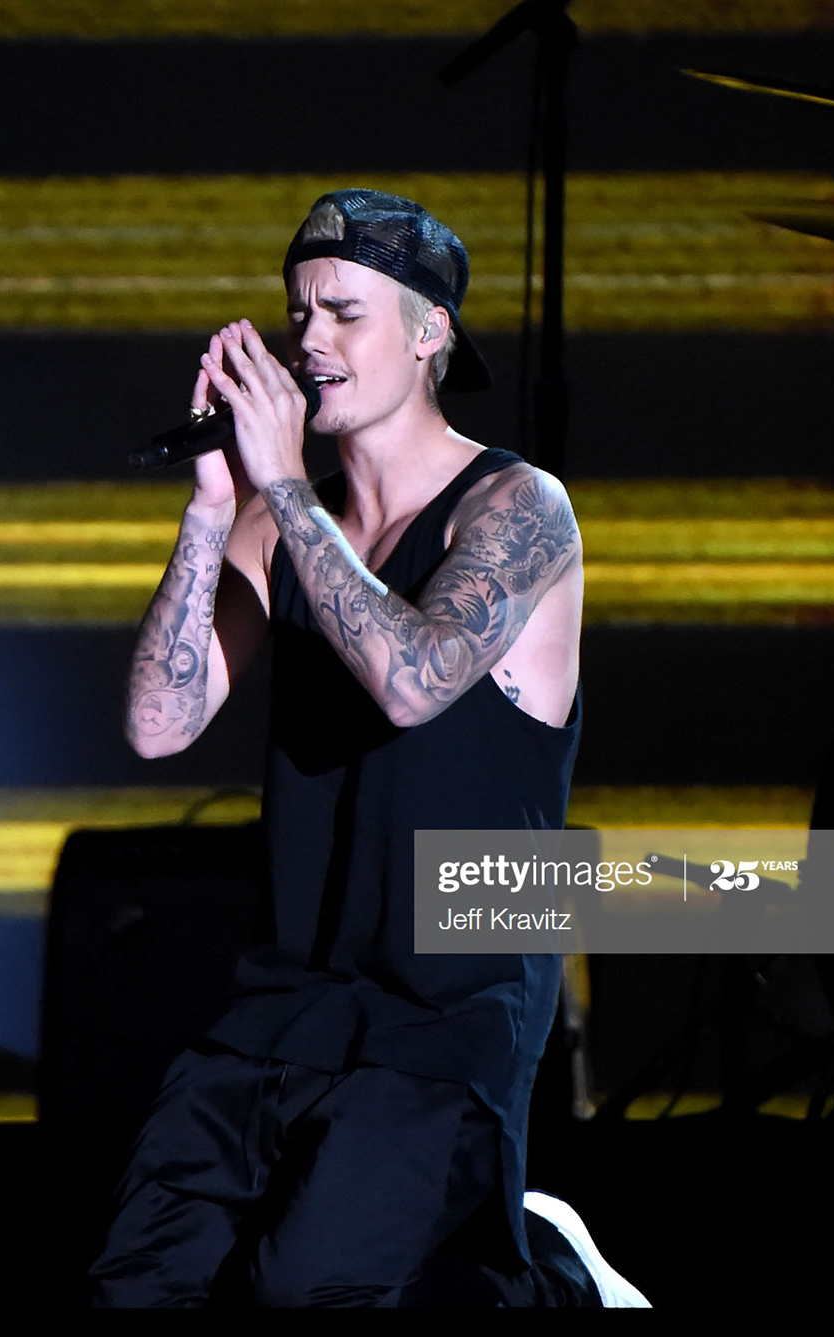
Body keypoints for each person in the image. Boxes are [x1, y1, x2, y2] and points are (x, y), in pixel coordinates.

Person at [92, 189, 598, 1308]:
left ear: (429, 333)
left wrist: (281, 486)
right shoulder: (277, 522)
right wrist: (213, 507)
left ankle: (556, 1282)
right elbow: (159, 723)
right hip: (293, 992)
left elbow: (414, 682)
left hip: (450, 999)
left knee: (306, 1289)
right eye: (298, 314)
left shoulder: (518, 506)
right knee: (138, 1283)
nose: (309, 341)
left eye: (344, 313)